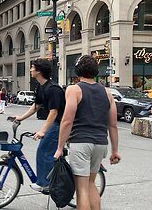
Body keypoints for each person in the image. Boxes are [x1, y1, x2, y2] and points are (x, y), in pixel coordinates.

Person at [54, 55, 120, 210]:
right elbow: (113, 125)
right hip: (100, 144)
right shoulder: (107, 92)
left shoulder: (74, 89)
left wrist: (59, 148)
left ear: (78, 71)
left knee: (81, 189)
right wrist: (115, 151)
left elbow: (67, 121)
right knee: (91, 184)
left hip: (80, 142)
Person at [12, 58, 65, 192]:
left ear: (39, 71)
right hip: (55, 122)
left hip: (61, 124)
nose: (31, 70)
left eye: (33, 68)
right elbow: (36, 106)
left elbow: (54, 112)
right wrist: (20, 118)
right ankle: (48, 179)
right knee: (44, 150)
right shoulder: (41, 87)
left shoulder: (53, 89)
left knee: (44, 150)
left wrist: (42, 131)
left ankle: (46, 183)